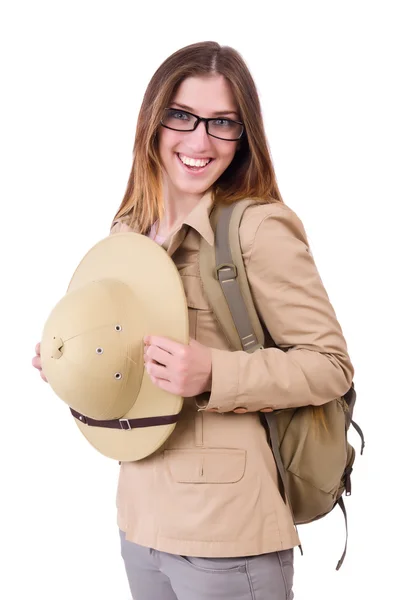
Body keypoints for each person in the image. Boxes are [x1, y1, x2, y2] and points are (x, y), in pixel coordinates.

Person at [32, 41, 354, 600]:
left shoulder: (257, 230)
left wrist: (214, 374)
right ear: (153, 122)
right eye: (182, 115)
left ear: (243, 135)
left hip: (228, 535)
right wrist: (74, 365)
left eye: (223, 123)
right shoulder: (128, 234)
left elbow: (330, 367)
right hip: (139, 522)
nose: (200, 140)